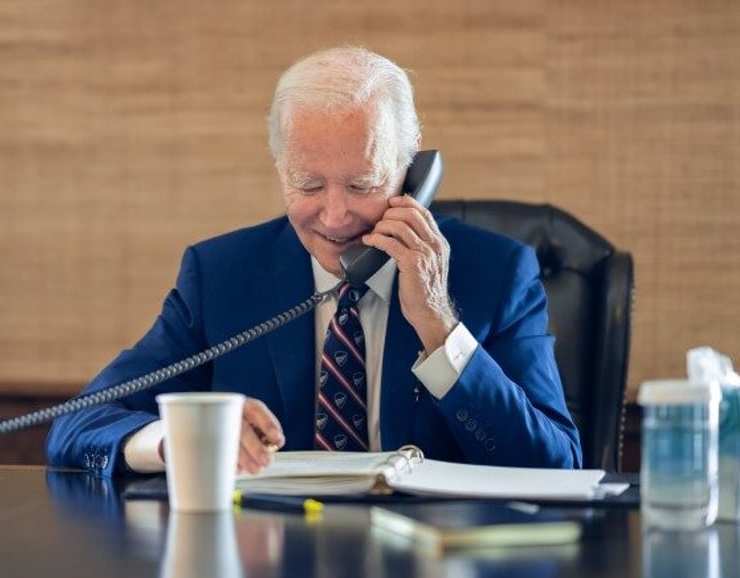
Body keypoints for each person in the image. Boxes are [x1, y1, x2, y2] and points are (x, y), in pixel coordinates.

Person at [46, 46, 581, 478]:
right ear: (279, 166)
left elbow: (556, 465)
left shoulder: (499, 273)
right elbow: (76, 426)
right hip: (272, 577)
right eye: (306, 183)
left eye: (361, 183)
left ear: (411, 166)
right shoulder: (221, 276)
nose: (334, 215)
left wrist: (440, 329)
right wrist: (181, 440)